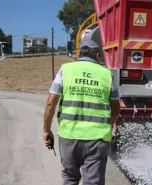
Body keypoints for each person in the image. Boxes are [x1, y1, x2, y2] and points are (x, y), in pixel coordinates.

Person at [43, 31, 121, 185]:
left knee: (70, 179)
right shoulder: (107, 74)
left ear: (80, 53)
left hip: (69, 137)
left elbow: (51, 103)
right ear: (97, 56)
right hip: (97, 139)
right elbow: (116, 107)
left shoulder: (65, 70)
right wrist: (109, 126)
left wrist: (47, 130)